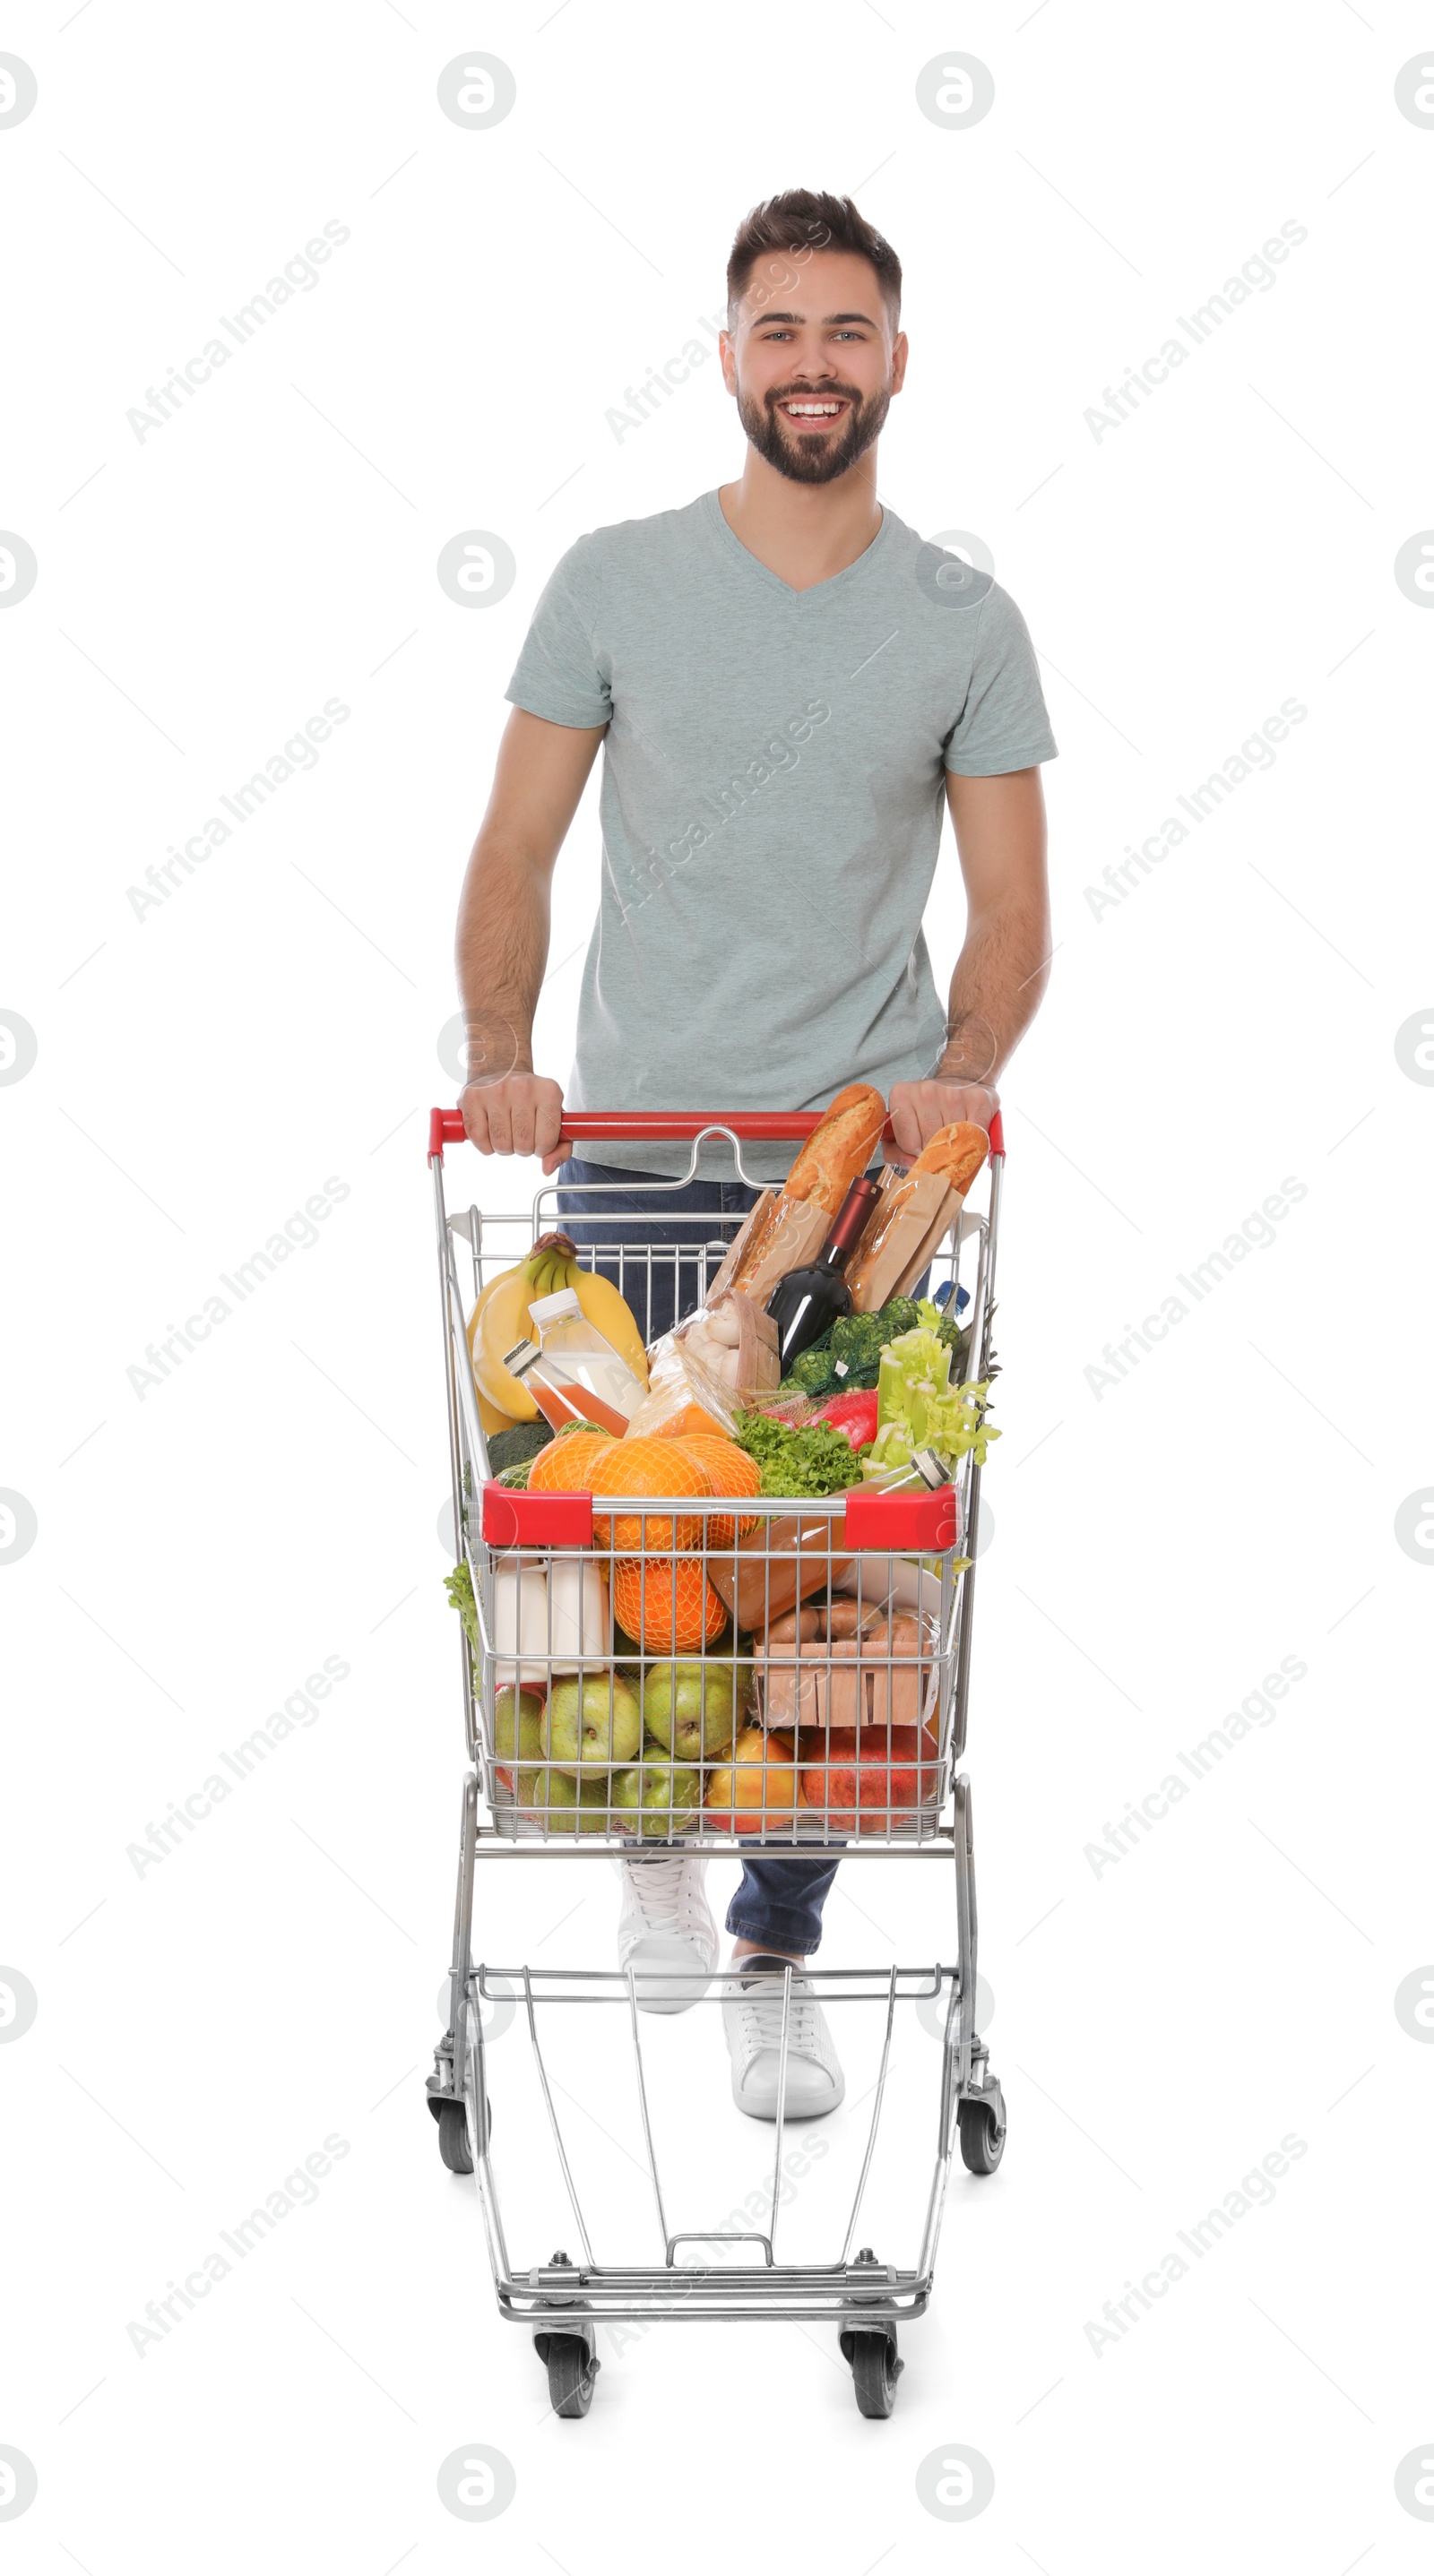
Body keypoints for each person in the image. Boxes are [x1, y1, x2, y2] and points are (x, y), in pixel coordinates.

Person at [455, 188, 1056, 2123]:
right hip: (633, 1159)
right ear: (727, 360)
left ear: (895, 363)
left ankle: (775, 1944)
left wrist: (960, 1067)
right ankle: (639, 1831)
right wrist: (498, 1054)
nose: (812, 365)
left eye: (845, 333)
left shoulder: (964, 622)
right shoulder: (614, 583)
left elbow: (1011, 903)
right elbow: (515, 849)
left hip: (860, 1181)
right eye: (777, 331)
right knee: (616, 1547)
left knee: (840, 1593)